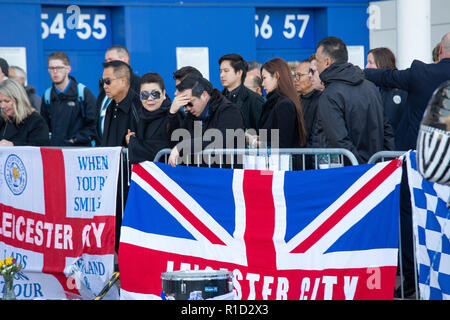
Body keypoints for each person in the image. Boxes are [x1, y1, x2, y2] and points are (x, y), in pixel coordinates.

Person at [364, 32, 450, 151]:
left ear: (440, 49)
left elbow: (388, 76)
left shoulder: (421, 73)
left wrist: (357, 72)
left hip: (418, 155)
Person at [314, 36, 394, 164]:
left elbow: (338, 141)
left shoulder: (330, 94)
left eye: (317, 61)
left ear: (327, 62)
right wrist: (383, 165)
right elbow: (387, 131)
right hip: (376, 170)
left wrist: (359, 168)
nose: (316, 66)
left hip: (350, 174)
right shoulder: (370, 87)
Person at [167, 75, 245, 167]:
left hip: (224, 175)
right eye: (184, 104)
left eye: (190, 103)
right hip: (199, 175)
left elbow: (218, 140)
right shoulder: (192, 115)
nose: (187, 108)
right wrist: (172, 114)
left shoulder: (229, 111)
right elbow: (176, 142)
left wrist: (183, 146)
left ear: (204, 95)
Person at [41, 51, 97, 147]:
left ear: (68, 69)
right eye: (51, 68)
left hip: (79, 151)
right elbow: (44, 127)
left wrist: (75, 140)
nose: (55, 72)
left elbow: (94, 124)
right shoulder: (47, 96)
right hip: (55, 152)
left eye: (59, 68)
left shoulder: (82, 92)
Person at [255, 57, 307, 151]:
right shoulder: (271, 103)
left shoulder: (284, 105)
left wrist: (255, 143)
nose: (262, 84)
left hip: (284, 163)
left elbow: (283, 143)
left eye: (264, 78)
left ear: (276, 76)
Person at [125, 72, 172, 164]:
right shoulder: (139, 116)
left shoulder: (173, 115)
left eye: (155, 94)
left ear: (164, 93)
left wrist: (132, 143)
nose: (150, 99)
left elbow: (159, 149)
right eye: (144, 95)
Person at [97, 45, 141, 140]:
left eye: (111, 60)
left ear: (125, 60)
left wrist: (131, 143)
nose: (105, 86)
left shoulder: (140, 86)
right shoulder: (104, 88)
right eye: (106, 61)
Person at [366, 47, 407, 138]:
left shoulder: (399, 91)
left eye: (370, 62)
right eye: (367, 62)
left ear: (382, 63)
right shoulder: (376, 89)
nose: (367, 67)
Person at [219, 53, 264, 131]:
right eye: (220, 71)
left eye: (226, 71)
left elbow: (263, 133)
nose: (222, 75)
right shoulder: (217, 99)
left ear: (239, 72)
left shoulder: (254, 100)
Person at [0, 79, 49, 146]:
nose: (2, 106)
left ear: (19, 100)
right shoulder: (3, 120)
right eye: (0, 102)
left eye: (7, 101)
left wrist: (13, 145)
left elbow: (40, 148)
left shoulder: (36, 121)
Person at [294, 58, 321, 149]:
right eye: (295, 75)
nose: (295, 80)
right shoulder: (296, 101)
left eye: (299, 75)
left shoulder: (320, 100)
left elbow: (315, 138)